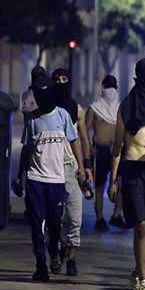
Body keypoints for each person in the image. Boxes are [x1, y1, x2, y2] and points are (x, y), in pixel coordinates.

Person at [108, 57, 145, 290]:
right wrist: (113, 181)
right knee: (140, 225)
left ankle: (144, 267)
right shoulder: (125, 108)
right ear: (141, 80)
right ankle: (142, 279)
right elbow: (117, 148)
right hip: (132, 171)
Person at [23, 76, 87, 282]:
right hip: (35, 179)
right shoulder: (32, 119)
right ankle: (40, 264)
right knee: (37, 224)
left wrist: (81, 168)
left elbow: (74, 141)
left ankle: (54, 251)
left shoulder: (62, 115)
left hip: (57, 180)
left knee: (54, 224)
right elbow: (26, 149)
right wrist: (19, 177)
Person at [51, 68, 92, 276]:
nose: (60, 82)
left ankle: (72, 258)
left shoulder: (77, 110)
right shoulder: (47, 109)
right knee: (54, 217)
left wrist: (86, 167)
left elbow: (83, 139)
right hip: (51, 169)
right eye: (57, 79)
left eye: (64, 78)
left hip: (73, 169)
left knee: (75, 218)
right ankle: (57, 248)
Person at [86, 75, 126, 230]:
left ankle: (117, 215)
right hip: (100, 151)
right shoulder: (95, 108)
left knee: (120, 183)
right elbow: (84, 129)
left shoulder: (120, 108)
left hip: (117, 151)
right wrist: (89, 148)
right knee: (100, 185)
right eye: (108, 86)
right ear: (102, 88)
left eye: (113, 87)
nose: (110, 90)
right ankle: (99, 217)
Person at [12, 66, 48, 199]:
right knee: (30, 174)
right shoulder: (28, 94)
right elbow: (27, 112)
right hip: (31, 137)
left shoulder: (46, 93)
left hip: (43, 138)